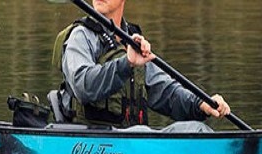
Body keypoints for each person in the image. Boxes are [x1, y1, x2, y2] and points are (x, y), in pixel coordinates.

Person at [53, 0, 232, 132]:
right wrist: (126, 63)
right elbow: (83, 87)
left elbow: (165, 92)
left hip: (130, 142)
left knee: (196, 130)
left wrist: (201, 104)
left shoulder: (131, 38)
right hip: (91, 141)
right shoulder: (80, 36)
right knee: (143, 132)